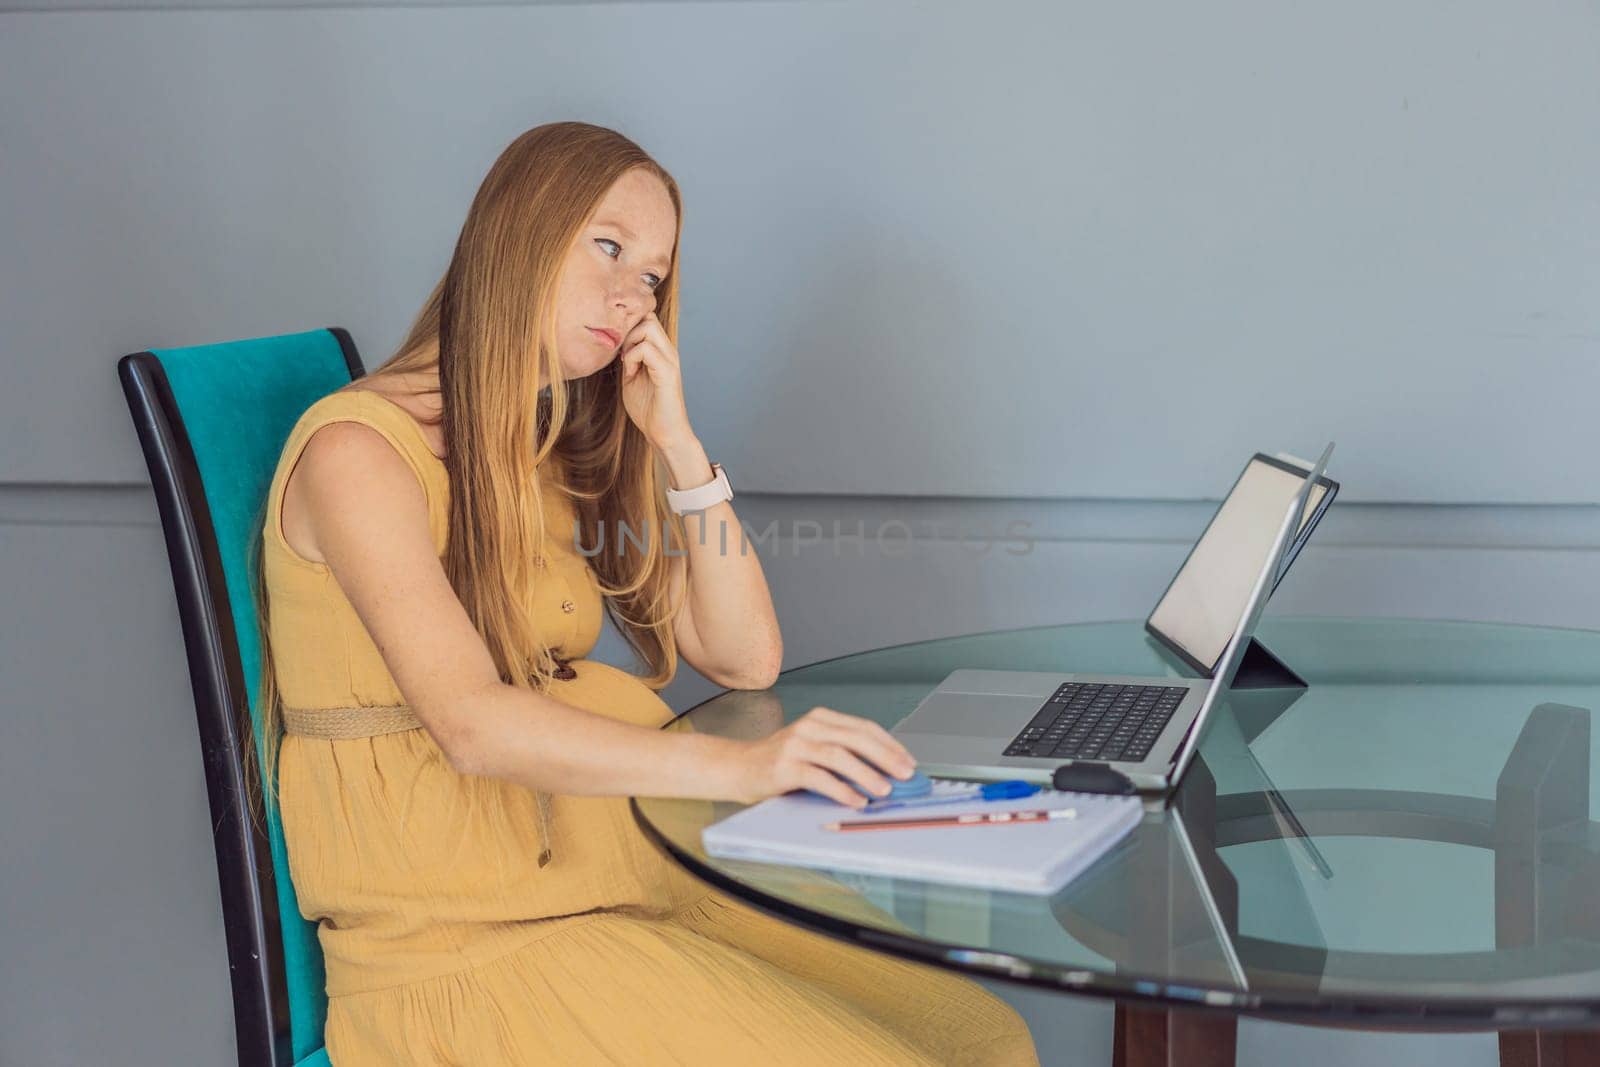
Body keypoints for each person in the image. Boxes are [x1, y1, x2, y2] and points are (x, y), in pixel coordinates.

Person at [248, 120, 1041, 1065]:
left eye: (654, 277)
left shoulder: (535, 444)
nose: (632, 298)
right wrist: (742, 771)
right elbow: (471, 722)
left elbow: (745, 654)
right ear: (520, 234)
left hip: (623, 876)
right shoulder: (359, 454)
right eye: (609, 248)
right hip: (466, 947)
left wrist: (677, 442)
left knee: (983, 1036)